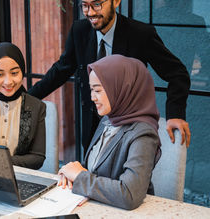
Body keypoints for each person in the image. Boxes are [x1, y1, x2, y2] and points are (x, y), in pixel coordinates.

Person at [28, 0, 191, 153]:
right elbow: (60, 70)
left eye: (97, 4)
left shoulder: (140, 34)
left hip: (128, 129)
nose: (90, 13)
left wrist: (176, 114)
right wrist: (26, 100)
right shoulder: (79, 31)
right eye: (85, 5)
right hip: (91, 128)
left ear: (116, 1)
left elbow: (178, 74)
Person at [58, 55, 161, 210]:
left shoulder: (143, 135)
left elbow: (129, 195)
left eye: (98, 90)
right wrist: (71, 173)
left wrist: (79, 176)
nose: (92, 97)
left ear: (122, 88)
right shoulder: (108, 119)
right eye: (91, 90)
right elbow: (92, 169)